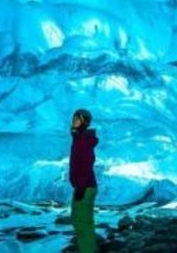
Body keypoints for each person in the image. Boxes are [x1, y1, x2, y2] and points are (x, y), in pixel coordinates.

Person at [69, 108, 99, 253]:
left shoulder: (84, 140)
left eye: (78, 118)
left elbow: (87, 162)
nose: (74, 121)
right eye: (74, 118)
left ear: (85, 122)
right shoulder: (79, 138)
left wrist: (80, 187)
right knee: (77, 220)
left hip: (86, 187)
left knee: (83, 224)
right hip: (82, 186)